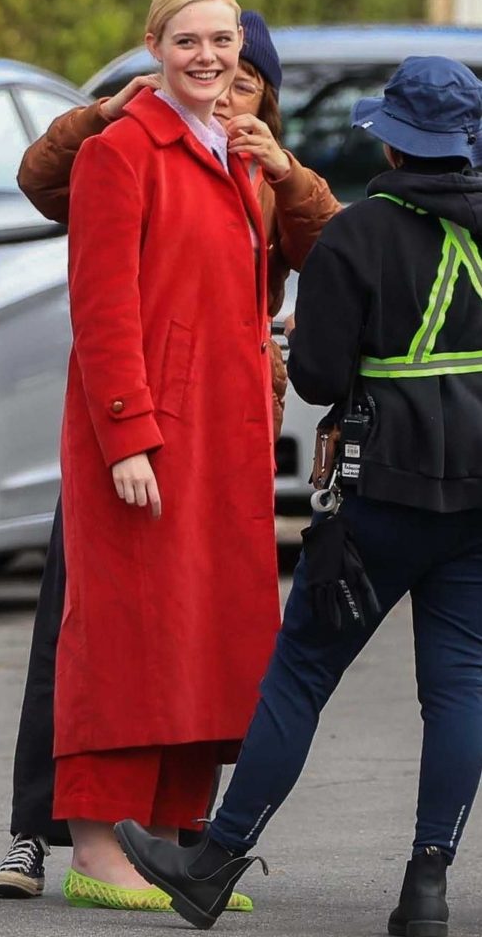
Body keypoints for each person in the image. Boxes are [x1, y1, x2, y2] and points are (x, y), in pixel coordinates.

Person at [113, 55, 482, 937]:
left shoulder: (358, 233)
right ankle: (427, 888)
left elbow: (317, 377)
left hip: (382, 490)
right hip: (477, 495)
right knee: (460, 686)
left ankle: (212, 859)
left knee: (303, 672)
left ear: (392, 148)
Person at [0, 0, 340, 905]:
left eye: (229, 49)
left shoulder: (246, 159)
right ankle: (86, 849)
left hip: (226, 434)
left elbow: (332, 256)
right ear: (153, 48)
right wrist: (127, 432)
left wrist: (283, 169)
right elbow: (103, 305)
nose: (216, 64)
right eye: (192, 41)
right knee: (121, 636)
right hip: (147, 433)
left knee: (206, 637)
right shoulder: (119, 148)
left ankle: (179, 841)